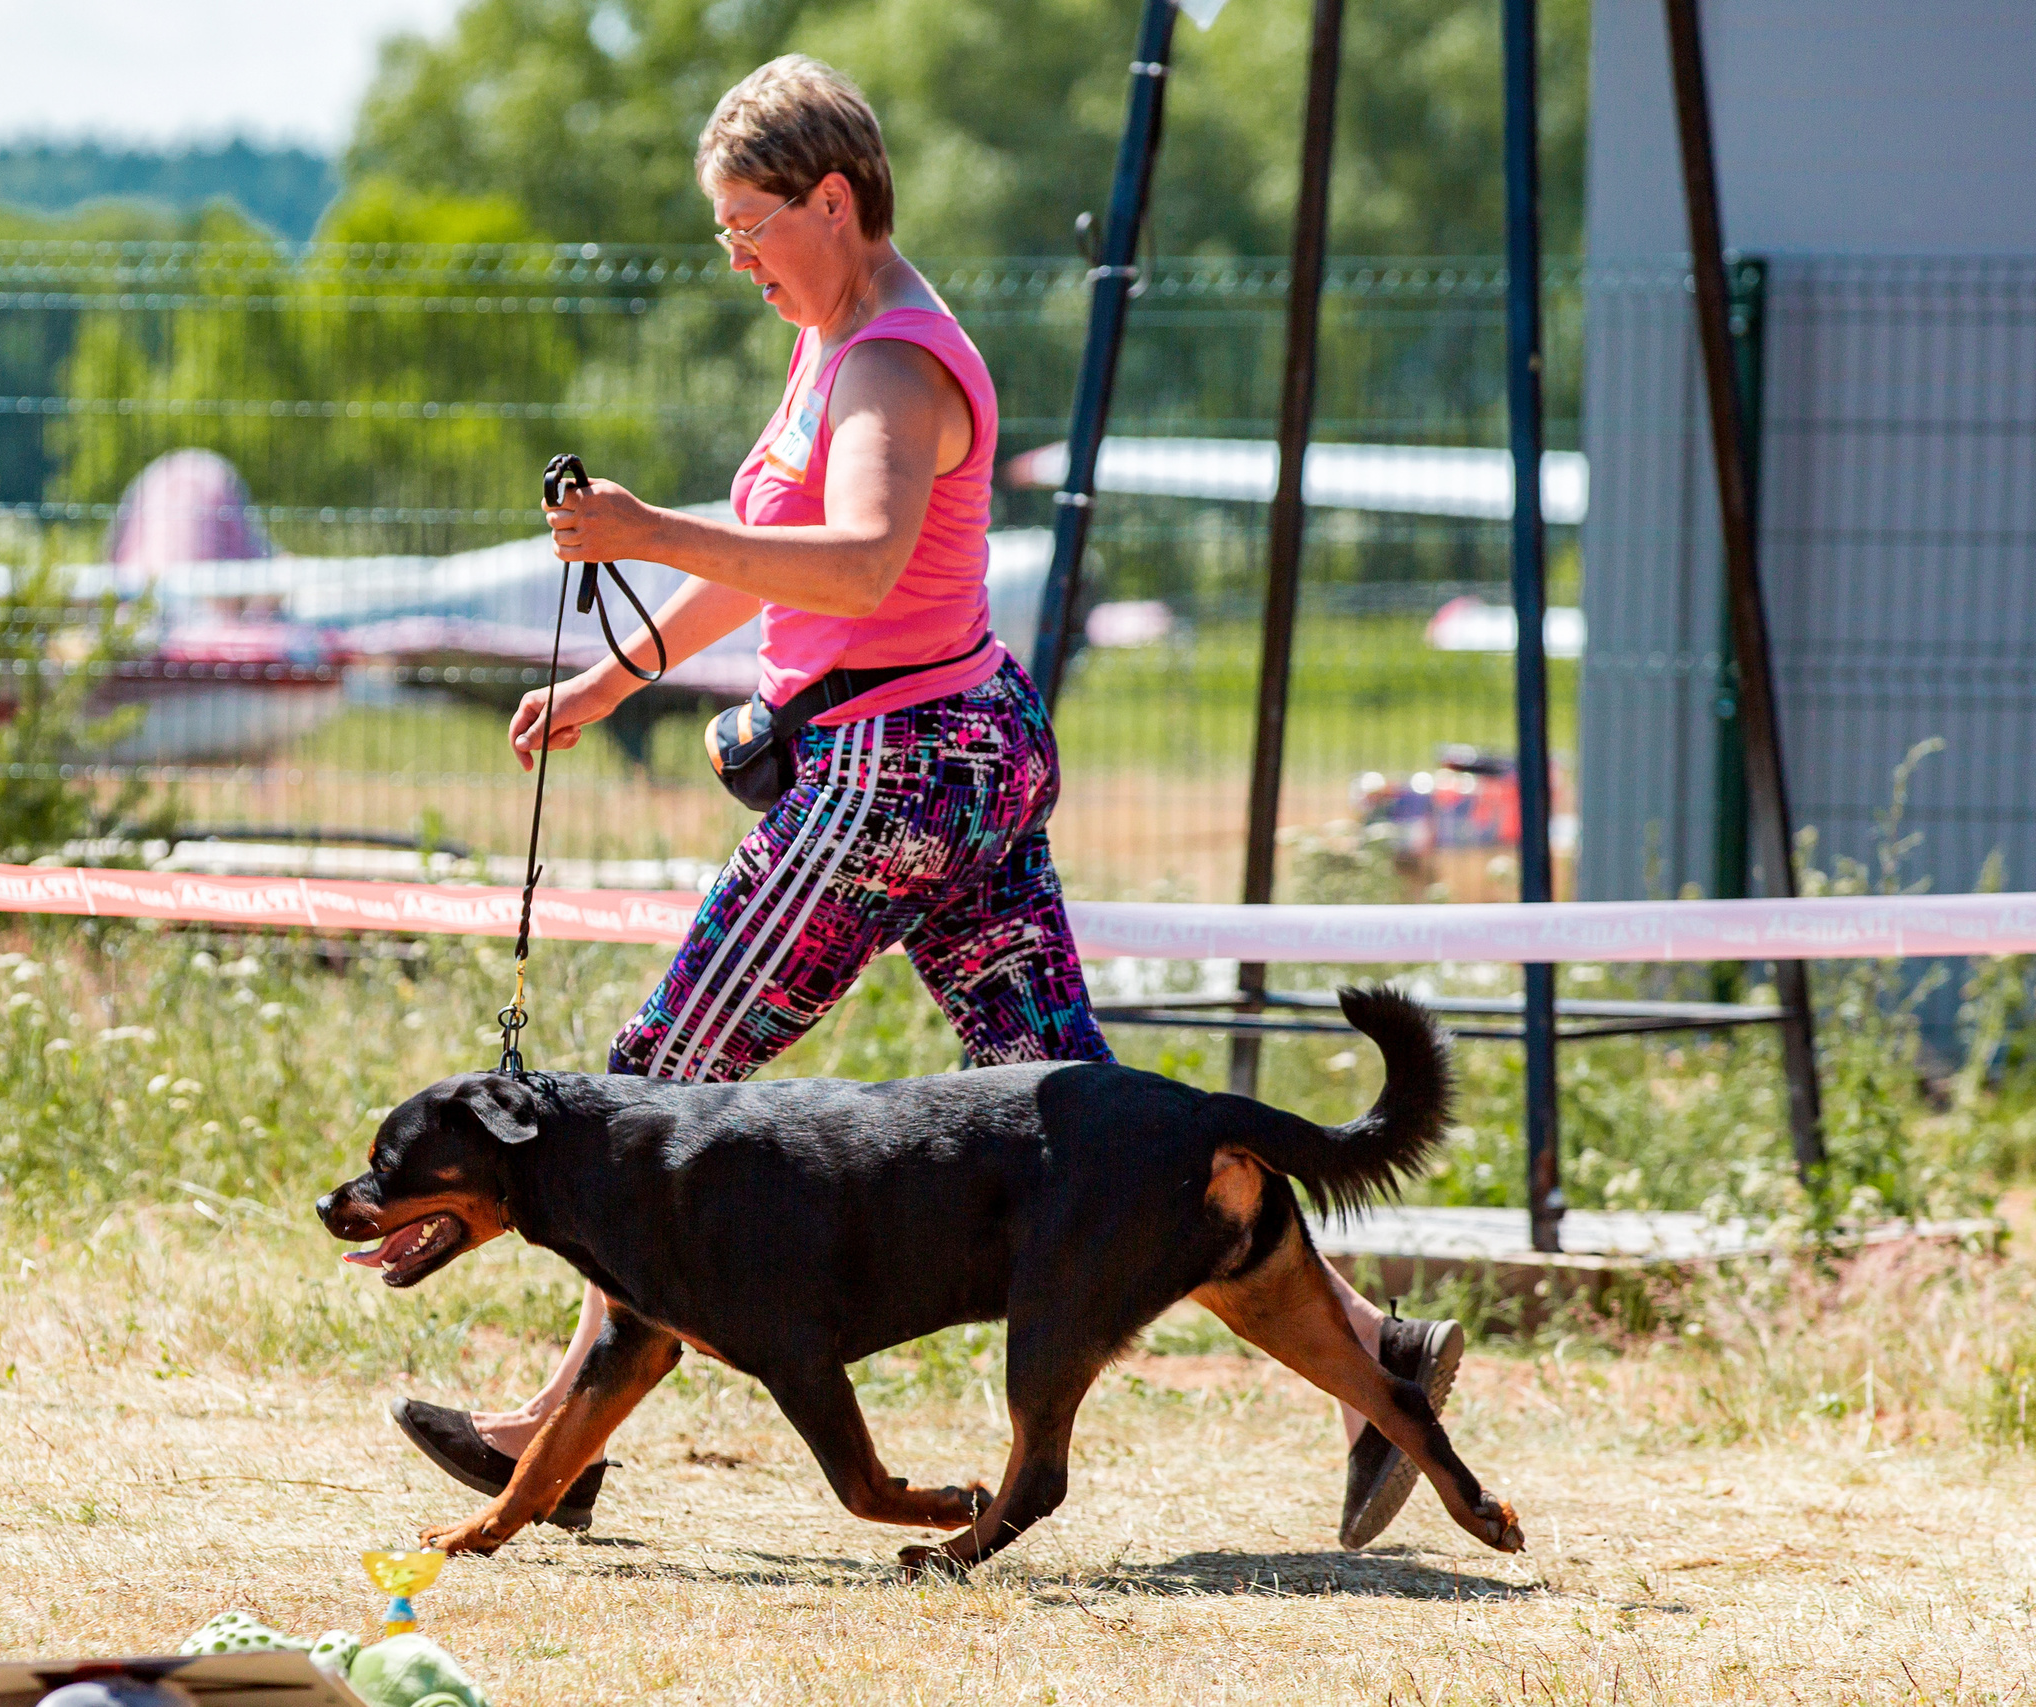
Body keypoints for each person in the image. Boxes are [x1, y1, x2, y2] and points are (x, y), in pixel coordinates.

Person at [388, 53, 1462, 1551]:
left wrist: (642, 525)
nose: (737, 257)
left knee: (650, 1093)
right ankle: (1379, 1362)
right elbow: (776, 557)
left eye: (750, 224)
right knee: (1093, 1127)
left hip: (895, 772)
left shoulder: (891, 360)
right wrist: (615, 677)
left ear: (833, 198)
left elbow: (858, 561)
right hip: (964, 751)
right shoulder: (833, 341)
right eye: (724, 231)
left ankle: (550, 1447)